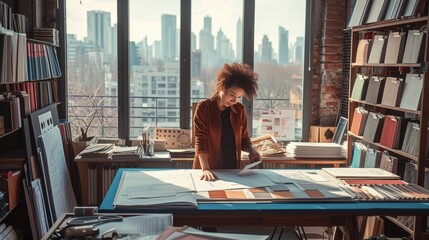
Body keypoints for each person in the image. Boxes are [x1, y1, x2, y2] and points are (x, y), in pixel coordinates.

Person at [193, 62, 261, 181]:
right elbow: (200, 140)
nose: (234, 101)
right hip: (208, 169)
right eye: (232, 95)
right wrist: (205, 169)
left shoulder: (239, 110)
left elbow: (244, 138)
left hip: (232, 170)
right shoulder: (204, 107)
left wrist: (252, 150)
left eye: (239, 97)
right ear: (222, 87)